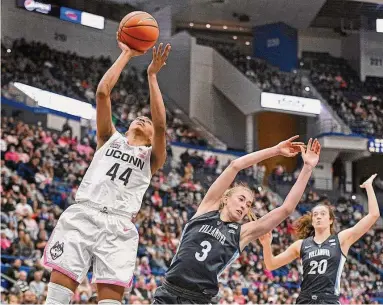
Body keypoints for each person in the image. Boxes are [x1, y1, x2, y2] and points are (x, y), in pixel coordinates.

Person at [43, 40, 172, 305]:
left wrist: (152, 76)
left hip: (119, 225)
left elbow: (160, 125)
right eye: (139, 117)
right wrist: (126, 53)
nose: (142, 119)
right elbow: (103, 92)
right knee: (55, 300)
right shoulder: (108, 138)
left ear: (150, 139)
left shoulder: (151, 157)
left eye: (146, 121)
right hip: (84, 215)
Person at [153, 137, 321, 304]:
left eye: (248, 205)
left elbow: (287, 209)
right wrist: (275, 150)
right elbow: (235, 166)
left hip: (198, 300)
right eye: (241, 199)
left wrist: (307, 167)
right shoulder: (207, 208)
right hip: (169, 292)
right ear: (225, 198)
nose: (244, 206)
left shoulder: (242, 233)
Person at [259, 174, 380, 304]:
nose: (318, 217)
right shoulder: (301, 245)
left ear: (330, 220)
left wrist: (368, 186)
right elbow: (271, 265)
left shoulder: (341, 240)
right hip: (305, 300)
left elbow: (373, 215)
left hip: (328, 300)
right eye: (315, 214)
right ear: (312, 221)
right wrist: (266, 245)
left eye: (323, 214)